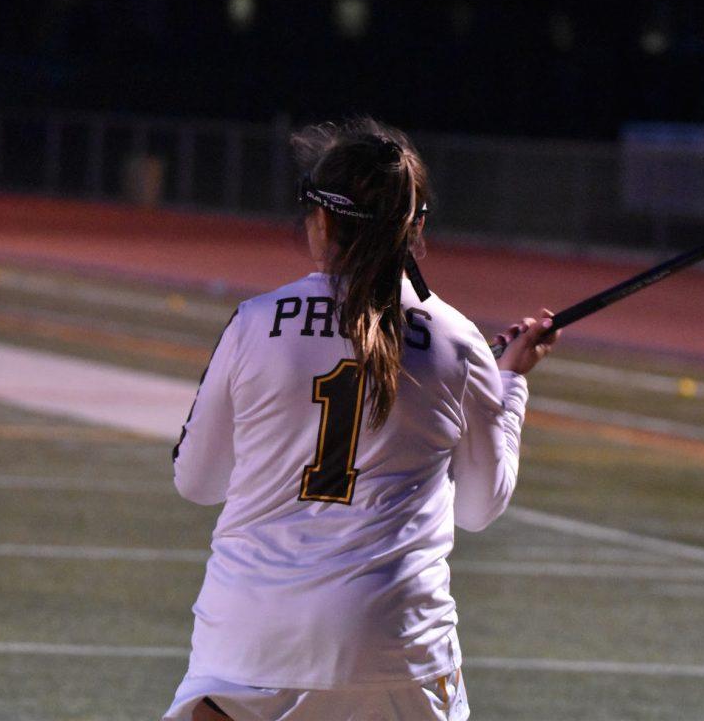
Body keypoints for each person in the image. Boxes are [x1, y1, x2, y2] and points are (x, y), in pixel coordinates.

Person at [165, 118, 557, 721]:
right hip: (396, 644)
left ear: (320, 221)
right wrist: (510, 380)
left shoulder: (253, 322)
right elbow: (481, 506)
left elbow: (196, 482)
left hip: (246, 637)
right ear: (416, 228)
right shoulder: (457, 341)